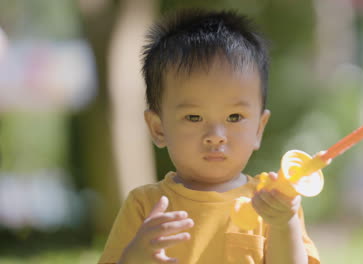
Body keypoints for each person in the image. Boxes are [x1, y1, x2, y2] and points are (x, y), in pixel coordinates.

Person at [98, 9, 320, 264]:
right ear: (158, 128)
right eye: (194, 117)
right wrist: (134, 258)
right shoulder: (145, 205)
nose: (216, 136)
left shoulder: (272, 203)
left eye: (234, 117)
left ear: (259, 128)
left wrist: (285, 224)